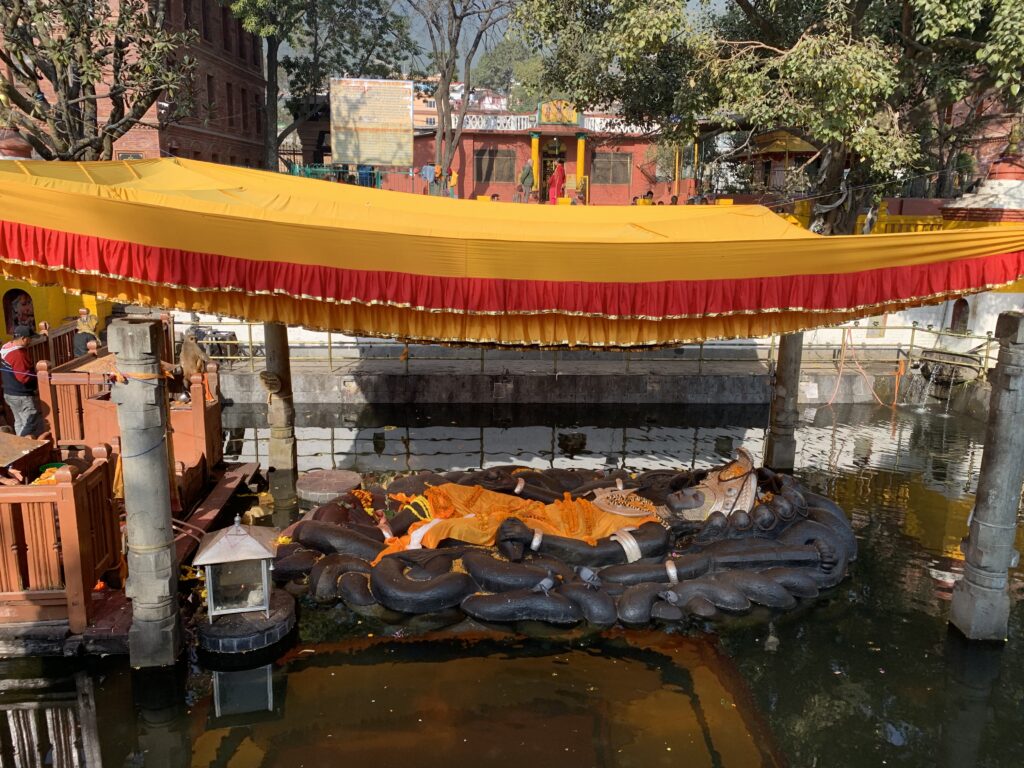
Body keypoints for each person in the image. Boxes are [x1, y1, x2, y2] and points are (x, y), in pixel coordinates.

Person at [1, 325, 42, 437]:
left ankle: (20, 444)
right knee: (30, 421)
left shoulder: (6, 347)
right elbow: (24, 378)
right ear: (24, 338)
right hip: (21, 394)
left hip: (9, 393)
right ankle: (24, 444)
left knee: (19, 422)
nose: (30, 341)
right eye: (30, 338)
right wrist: (36, 376)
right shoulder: (18, 354)